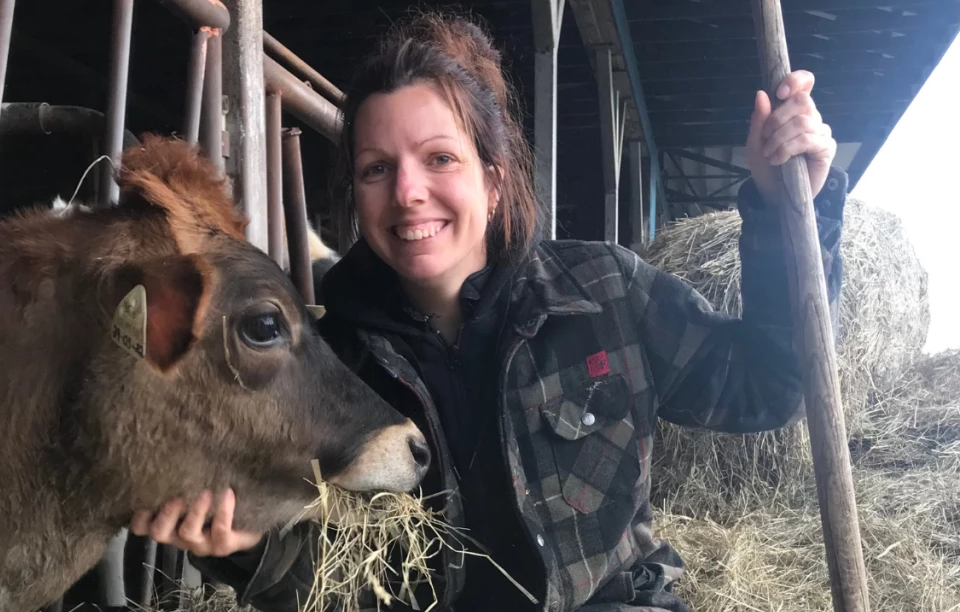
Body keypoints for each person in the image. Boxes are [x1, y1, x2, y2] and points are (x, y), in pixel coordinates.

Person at [129, 11, 845, 612]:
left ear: (494, 181)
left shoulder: (606, 293)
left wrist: (789, 213)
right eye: (377, 169)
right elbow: (339, 577)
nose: (407, 191)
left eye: (439, 158)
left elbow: (771, 381)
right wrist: (247, 546)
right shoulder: (332, 362)